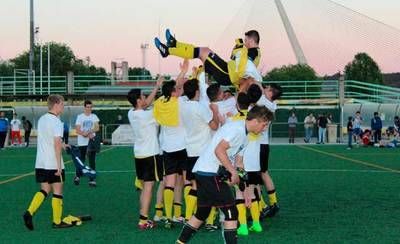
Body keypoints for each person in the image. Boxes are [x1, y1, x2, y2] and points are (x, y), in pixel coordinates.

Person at [176, 105, 274, 244]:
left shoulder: (245, 136)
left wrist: (246, 191)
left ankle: (180, 242)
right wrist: (232, 171)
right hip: (210, 173)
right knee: (231, 212)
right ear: (257, 120)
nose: (264, 129)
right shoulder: (237, 130)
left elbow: (239, 165)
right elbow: (219, 150)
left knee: (202, 213)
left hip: (205, 172)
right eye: (264, 125)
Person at [23, 94, 73, 230]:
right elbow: (56, 143)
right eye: (62, 103)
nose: (63, 106)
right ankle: (57, 222)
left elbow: (50, 139)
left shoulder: (42, 119)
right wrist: (58, 166)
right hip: (52, 163)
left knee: (45, 189)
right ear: (56, 104)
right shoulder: (57, 121)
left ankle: (29, 212)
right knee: (58, 190)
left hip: (40, 162)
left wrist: (64, 144)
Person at [154, 29, 262, 90]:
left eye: (246, 40)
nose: (245, 42)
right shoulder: (251, 52)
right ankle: (173, 44)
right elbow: (238, 63)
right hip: (227, 71)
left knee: (204, 51)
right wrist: (236, 51)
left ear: (252, 41)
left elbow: (246, 69)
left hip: (227, 73)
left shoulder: (254, 51)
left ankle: (168, 50)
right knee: (205, 70)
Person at [180, 78, 219, 226]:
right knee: (210, 186)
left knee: (194, 186)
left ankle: (189, 218)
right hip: (204, 151)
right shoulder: (200, 108)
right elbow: (214, 126)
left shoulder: (183, 106)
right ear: (197, 91)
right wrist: (215, 112)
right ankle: (209, 222)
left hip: (190, 149)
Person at [127, 76, 164, 230]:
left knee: (144, 187)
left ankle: (143, 216)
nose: (144, 97)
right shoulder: (146, 115)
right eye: (142, 96)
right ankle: (143, 220)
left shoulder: (132, 112)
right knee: (149, 187)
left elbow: (147, 103)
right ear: (138, 100)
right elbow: (157, 109)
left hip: (139, 154)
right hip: (150, 154)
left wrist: (157, 86)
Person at [256, 83, 282, 218]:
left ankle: (264, 206)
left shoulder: (263, 101)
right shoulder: (273, 104)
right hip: (264, 144)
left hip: (258, 144)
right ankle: (272, 204)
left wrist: (254, 80)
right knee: (263, 174)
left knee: (255, 176)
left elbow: (257, 89)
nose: (264, 89)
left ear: (271, 93)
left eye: (267, 88)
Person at [74, 100, 100, 187]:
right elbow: (77, 129)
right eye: (87, 107)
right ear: (84, 107)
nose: (89, 109)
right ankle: (77, 176)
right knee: (81, 160)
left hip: (91, 142)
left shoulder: (94, 116)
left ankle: (92, 180)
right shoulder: (80, 117)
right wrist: (83, 134)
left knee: (92, 161)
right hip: (82, 142)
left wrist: (89, 132)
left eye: (90, 107)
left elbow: (97, 127)